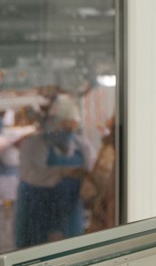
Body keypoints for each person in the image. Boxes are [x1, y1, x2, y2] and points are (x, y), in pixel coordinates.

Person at [15, 94, 96, 247]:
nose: (69, 131)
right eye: (65, 126)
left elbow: (92, 175)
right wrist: (63, 172)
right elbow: (31, 175)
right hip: (37, 216)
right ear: (54, 124)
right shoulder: (33, 145)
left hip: (69, 216)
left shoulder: (82, 146)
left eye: (73, 126)